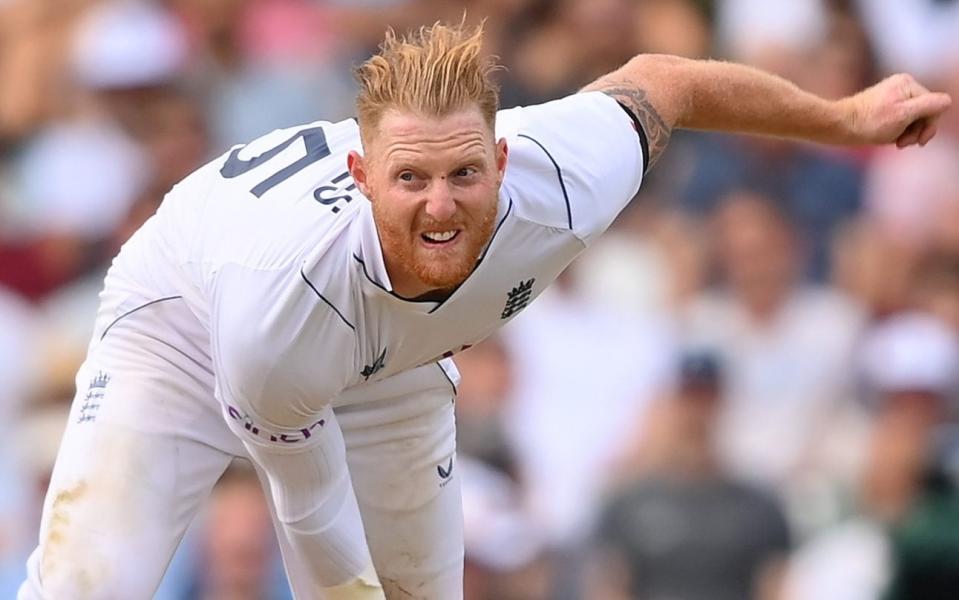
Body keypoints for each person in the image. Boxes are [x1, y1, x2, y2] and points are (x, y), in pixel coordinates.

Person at [18, 20, 951, 600]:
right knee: (80, 587)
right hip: (185, 324)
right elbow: (310, 516)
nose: (440, 205)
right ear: (362, 178)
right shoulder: (276, 307)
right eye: (411, 178)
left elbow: (671, 81)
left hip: (395, 358)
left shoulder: (558, 176)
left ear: (502, 160)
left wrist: (841, 120)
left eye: (465, 172)